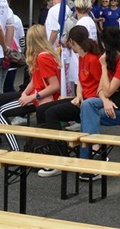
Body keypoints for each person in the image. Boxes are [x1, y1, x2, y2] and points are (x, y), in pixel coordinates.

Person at [0, 24, 61, 149]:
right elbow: (35, 79)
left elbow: (54, 86)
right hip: (35, 94)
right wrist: (25, 93)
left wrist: (30, 97)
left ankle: (14, 149)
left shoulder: (43, 57)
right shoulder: (43, 55)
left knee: (0, 113)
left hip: (40, 97)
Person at [78, 26, 120, 181]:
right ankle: (94, 155)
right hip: (118, 99)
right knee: (87, 105)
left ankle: (90, 159)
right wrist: (105, 101)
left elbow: (107, 90)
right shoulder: (111, 58)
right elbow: (100, 90)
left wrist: (103, 67)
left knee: (89, 115)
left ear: (104, 44)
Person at [35, 25, 102, 177]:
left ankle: (60, 158)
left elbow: (102, 84)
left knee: (51, 113)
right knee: (42, 110)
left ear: (72, 41)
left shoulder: (93, 59)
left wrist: (86, 99)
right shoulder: (82, 57)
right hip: (82, 99)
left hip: (90, 103)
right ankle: (47, 149)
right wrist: (78, 95)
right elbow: (80, 81)